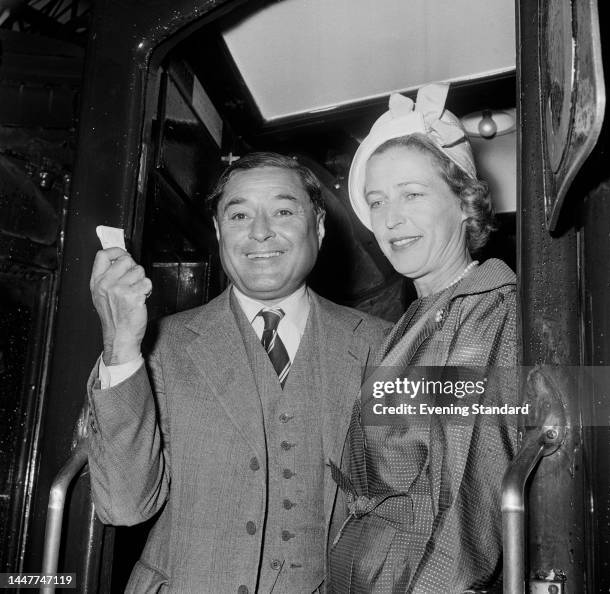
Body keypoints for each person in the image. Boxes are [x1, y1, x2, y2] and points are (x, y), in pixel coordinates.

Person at [87, 152, 390, 593]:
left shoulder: (384, 345)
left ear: (319, 227)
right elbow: (123, 506)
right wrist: (121, 345)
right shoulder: (160, 348)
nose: (260, 231)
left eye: (283, 211)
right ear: (217, 231)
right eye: (240, 214)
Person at [328, 84, 517, 593]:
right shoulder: (418, 317)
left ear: (463, 202)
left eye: (413, 194)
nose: (391, 218)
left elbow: (465, 503)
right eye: (377, 201)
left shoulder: (484, 309)